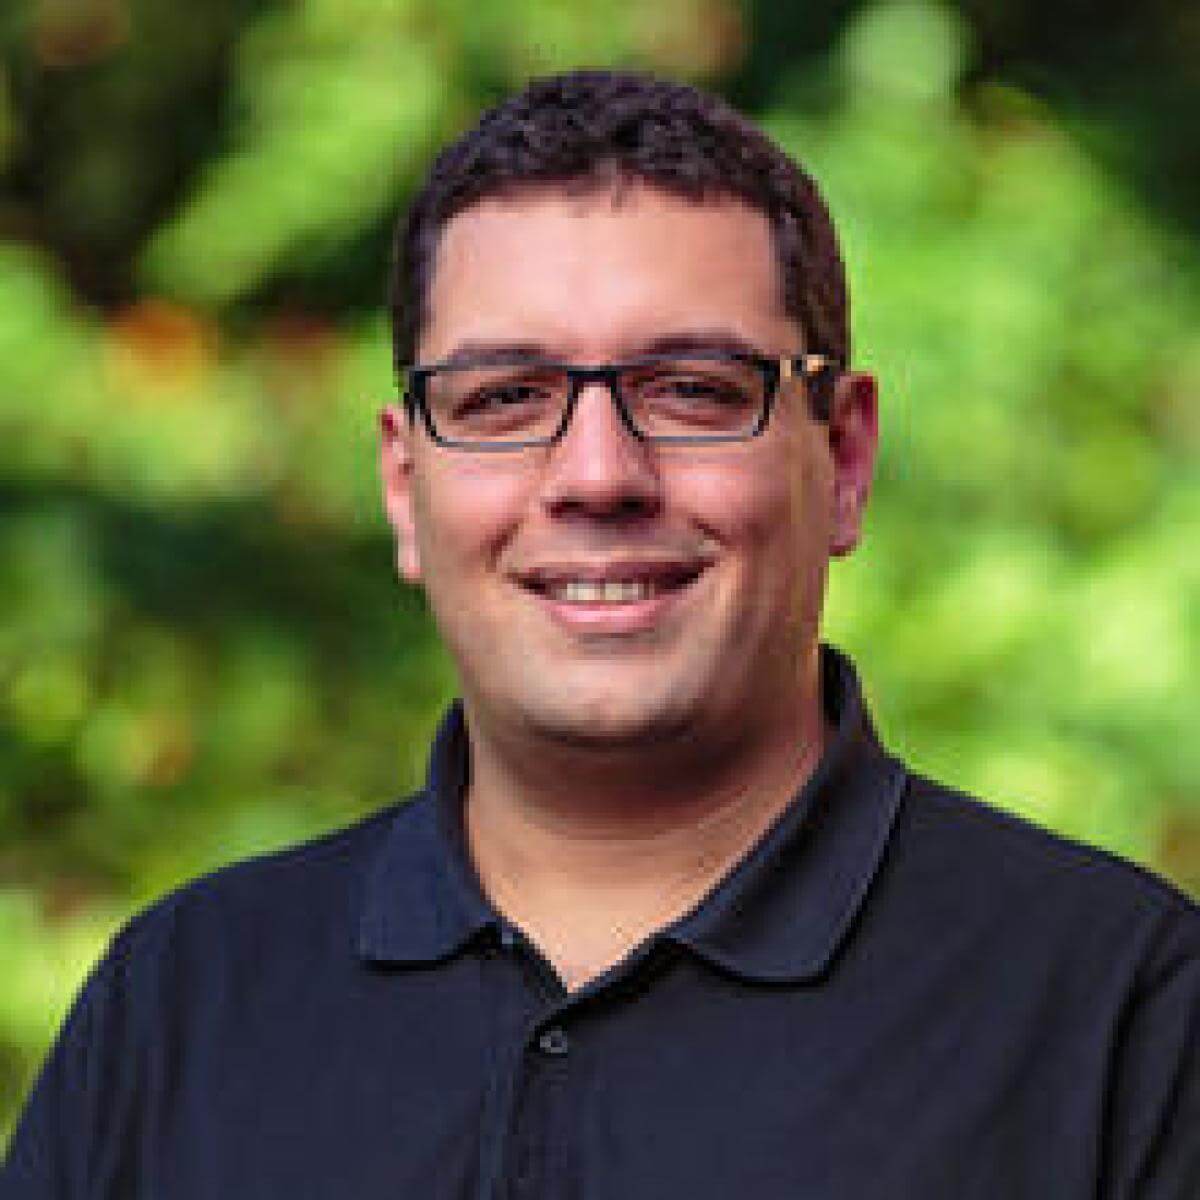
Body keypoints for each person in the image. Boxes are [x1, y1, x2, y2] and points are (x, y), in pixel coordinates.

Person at [3, 69, 1197, 1200]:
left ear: (841, 458)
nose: (597, 475)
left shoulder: (1120, 1012)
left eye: (692, 387)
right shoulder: (183, 1007)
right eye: (503, 399)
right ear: (403, 483)